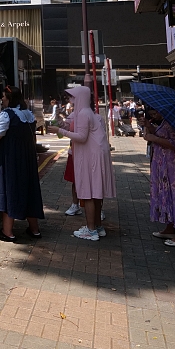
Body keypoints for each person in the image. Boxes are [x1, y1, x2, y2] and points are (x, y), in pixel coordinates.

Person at [47, 86, 116, 241]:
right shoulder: (86, 113)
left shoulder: (84, 113)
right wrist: (61, 124)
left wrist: (60, 131)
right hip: (95, 156)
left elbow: (81, 136)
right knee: (96, 193)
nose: (70, 100)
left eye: (73, 97)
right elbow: (73, 127)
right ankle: (97, 226)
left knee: (89, 192)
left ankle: (91, 230)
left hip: (90, 158)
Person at [0, 86, 45, 242]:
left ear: (9, 99)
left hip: (10, 159)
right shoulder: (28, 114)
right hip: (27, 159)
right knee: (29, 190)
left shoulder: (6, 116)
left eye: (4, 97)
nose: (2, 100)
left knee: (9, 190)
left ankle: (8, 232)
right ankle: (34, 229)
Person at [142, 106, 175, 246]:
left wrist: (153, 138)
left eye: (155, 113)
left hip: (174, 166)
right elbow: (159, 134)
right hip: (163, 165)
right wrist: (149, 126)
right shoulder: (165, 121)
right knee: (166, 195)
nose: (154, 115)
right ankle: (169, 227)